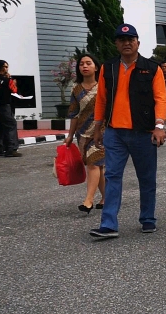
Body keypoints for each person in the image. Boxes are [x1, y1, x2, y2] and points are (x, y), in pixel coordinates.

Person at [89, 23, 166, 239]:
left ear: (138, 43)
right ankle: (109, 224)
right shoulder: (108, 67)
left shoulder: (152, 68)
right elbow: (102, 99)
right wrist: (98, 127)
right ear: (116, 44)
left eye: (130, 39)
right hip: (115, 133)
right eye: (122, 40)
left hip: (143, 133)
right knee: (113, 176)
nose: (126, 43)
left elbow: (161, 99)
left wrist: (159, 126)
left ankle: (148, 219)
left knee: (147, 178)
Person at [63, 54, 106, 215]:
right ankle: (106, 197)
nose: (85, 66)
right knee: (98, 167)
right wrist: (69, 135)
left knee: (93, 164)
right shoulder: (76, 89)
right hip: (82, 133)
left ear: (96, 66)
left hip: (102, 132)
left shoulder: (104, 86)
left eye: (89, 63)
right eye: (81, 64)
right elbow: (74, 114)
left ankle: (88, 201)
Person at [0, 59, 21, 157]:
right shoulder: (7, 80)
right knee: (10, 125)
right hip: (4, 106)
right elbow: (14, 90)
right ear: (1, 68)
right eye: (6, 66)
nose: (7, 68)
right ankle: (11, 149)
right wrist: (13, 82)